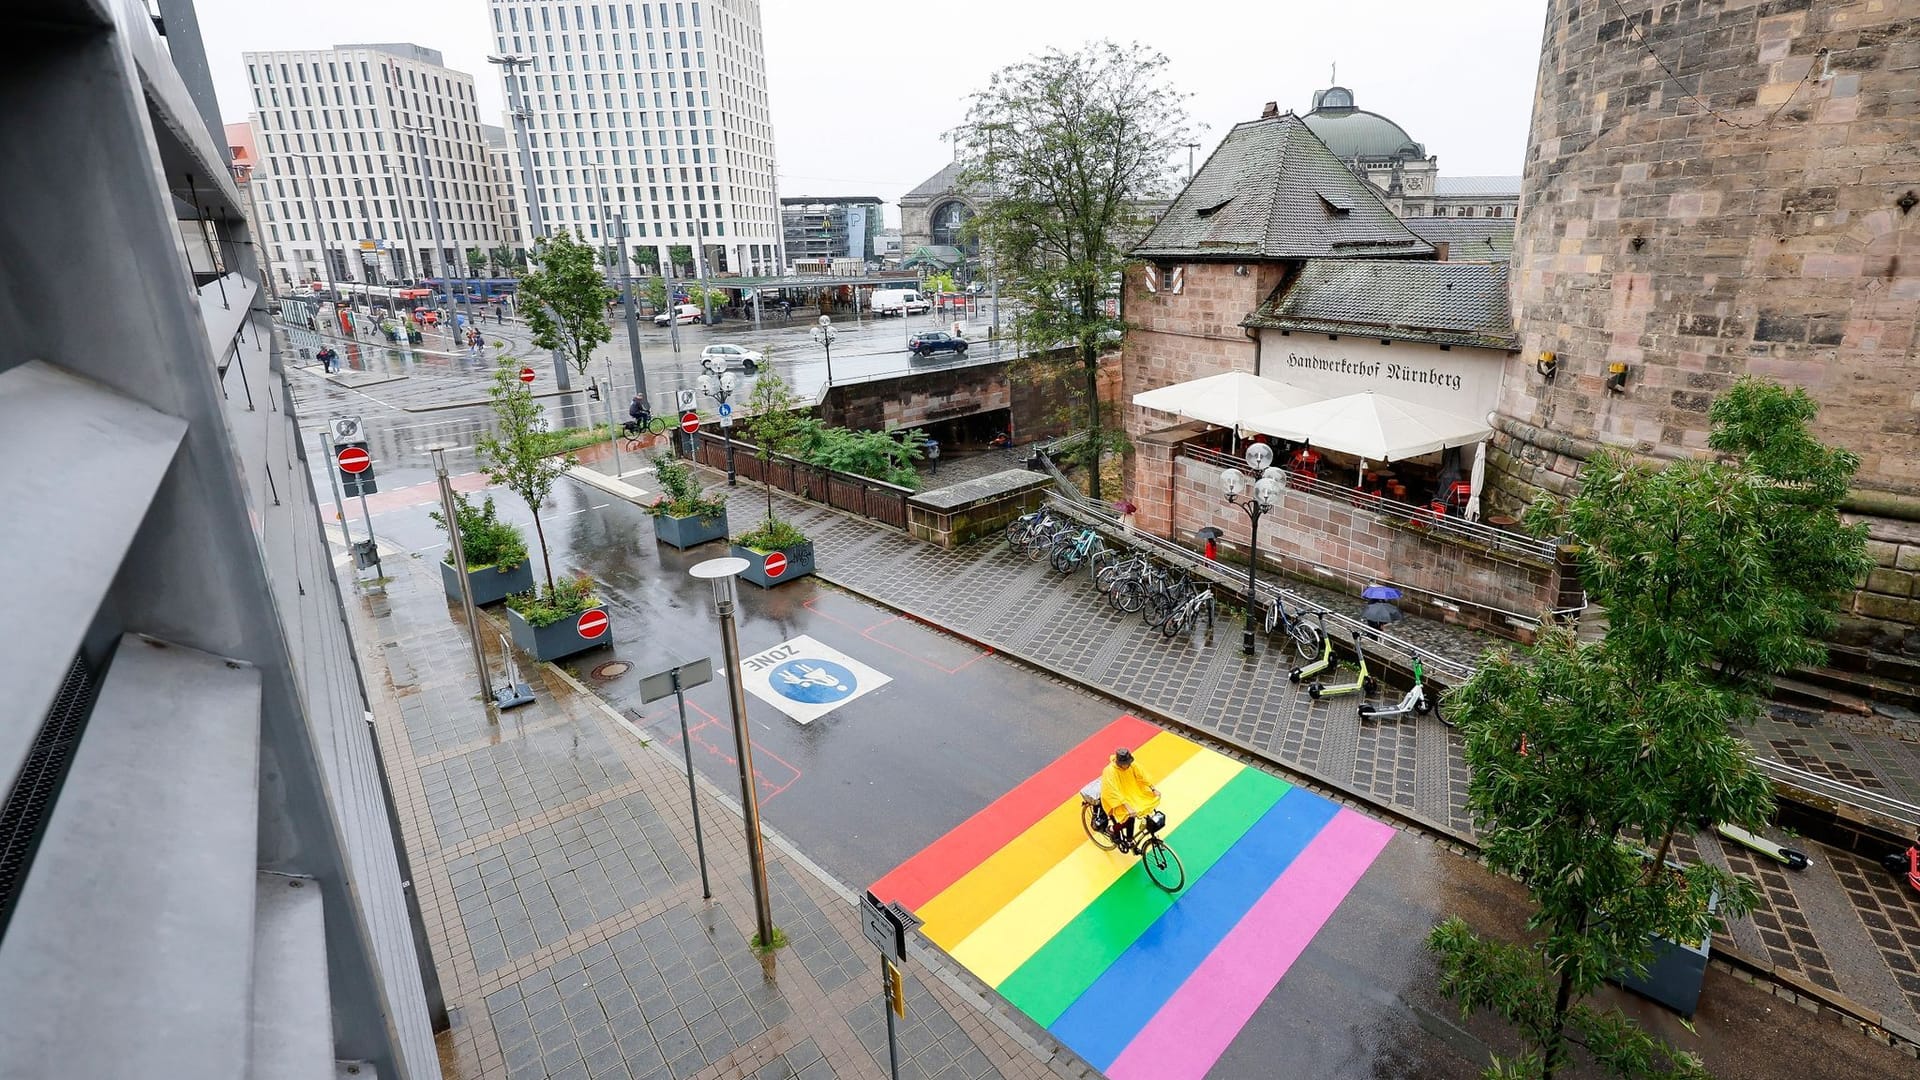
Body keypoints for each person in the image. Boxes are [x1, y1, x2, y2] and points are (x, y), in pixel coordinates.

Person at [1099, 748, 1161, 852]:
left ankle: (1129, 839)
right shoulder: (1109, 771)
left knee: (1144, 808)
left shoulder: (1132, 765)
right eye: (1125, 763)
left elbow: (1142, 776)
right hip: (1117, 800)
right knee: (1128, 817)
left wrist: (1153, 788)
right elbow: (1113, 791)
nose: (1128, 765)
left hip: (1133, 794)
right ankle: (1112, 829)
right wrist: (1128, 807)